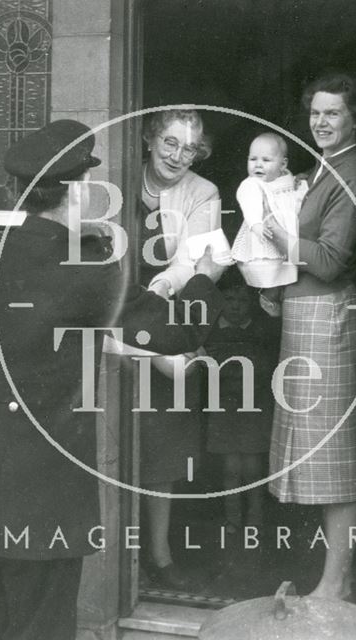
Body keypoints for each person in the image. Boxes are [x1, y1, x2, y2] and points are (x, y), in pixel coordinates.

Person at [0, 119, 225, 640]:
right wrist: (203, 271)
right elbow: (177, 332)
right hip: (43, 490)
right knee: (41, 626)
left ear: (18, 192)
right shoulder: (89, 266)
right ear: (73, 192)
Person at [265, 73, 356, 600]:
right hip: (305, 314)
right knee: (319, 450)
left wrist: (281, 242)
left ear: (355, 117)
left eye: (332, 113)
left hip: (327, 318)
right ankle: (333, 578)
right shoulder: (324, 170)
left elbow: (330, 261)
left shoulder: (352, 173)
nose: (322, 122)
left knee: (336, 454)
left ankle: (338, 582)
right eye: (316, 113)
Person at [138, 109, 223, 590]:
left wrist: (161, 288)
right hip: (108, 310)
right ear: (150, 138)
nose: (177, 156)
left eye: (189, 148)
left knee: (163, 442)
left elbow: (197, 261)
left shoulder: (203, 193)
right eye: (170, 143)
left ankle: (160, 553)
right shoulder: (117, 179)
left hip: (163, 315)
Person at [204, 269, 280, 533]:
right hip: (224, 406)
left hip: (254, 405)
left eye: (242, 301)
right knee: (230, 465)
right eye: (229, 300)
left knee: (252, 464)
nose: (235, 307)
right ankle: (232, 518)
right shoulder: (211, 334)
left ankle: (255, 516)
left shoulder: (261, 332)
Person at [231, 132, 308, 317]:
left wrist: (305, 185)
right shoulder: (252, 184)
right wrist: (256, 223)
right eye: (253, 159)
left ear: (283, 165)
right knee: (270, 269)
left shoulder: (288, 180)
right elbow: (249, 203)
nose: (258, 164)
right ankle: (269, 294)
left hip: (288, 237)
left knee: (287, 270)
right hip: (264, 236)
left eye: (266, 160)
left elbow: (298, 197)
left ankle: (275, 294)